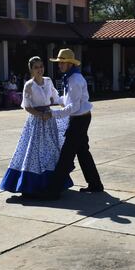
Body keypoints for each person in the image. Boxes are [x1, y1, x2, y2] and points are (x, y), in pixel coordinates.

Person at [0, 57, 72, 195]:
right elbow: (27, 107)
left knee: (52, 150)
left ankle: (54, 182)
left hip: (49, 120)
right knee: (35, 152)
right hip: (37, 122)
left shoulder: (48, 81)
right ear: (31, 70)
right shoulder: (29, 85)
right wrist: (40, 115)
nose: (40, 69)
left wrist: (67, 106)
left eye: (41, 66)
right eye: (36, 67)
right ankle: (32, 183)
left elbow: (56, 97)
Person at [39, 48, 103, 199]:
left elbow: (73, 107)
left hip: (79, 119)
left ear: (69, 63)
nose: (59, 65)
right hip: (81, 118)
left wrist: (52, 114)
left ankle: (53, 191)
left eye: (61, 63)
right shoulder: (71, 77)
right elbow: (67, 102)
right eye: (59, 62)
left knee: (66, 155)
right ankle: (95, 184)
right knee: (82, 152)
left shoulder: (74, 80)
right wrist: (54, 99)